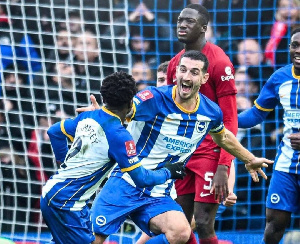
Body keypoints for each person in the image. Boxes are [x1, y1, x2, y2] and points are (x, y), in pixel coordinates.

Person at [80, 50, 272, 244]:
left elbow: (223, 137)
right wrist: (102, 114)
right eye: (183, 70)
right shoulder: (153, 98)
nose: (186, 77)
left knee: (181, 231)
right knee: (93, 239)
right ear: (176, 73)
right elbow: (125, 111)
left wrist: (249, 159)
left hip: (158, 192)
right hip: (125, 182)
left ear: (204, 78)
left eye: (194, 72)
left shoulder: (210, 112)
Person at [40, 71, 186, 244]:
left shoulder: (88, 116)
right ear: (131, 101)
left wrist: (63, 163)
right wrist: (168, 172)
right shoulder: (119, 135)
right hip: (65, 202)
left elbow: (54, 132)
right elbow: (141, 179)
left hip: (55, 191)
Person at [166, 4, 238, 243]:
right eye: (179, 21)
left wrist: (223, 166)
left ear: (204, 27)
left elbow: (230, 118)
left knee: (204, 221)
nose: (182, 25)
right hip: (183, 151)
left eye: (189, 21)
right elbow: (170, 112)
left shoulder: (220, 62)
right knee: (180, 225)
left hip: (210, 150)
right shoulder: (175, 64)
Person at [238, 28, 300, 244]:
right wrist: (226, 119)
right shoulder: (280, 78)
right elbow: (256, 114)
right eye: (294, 45)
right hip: (286, 165)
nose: (298, 50)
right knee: (273, 226)